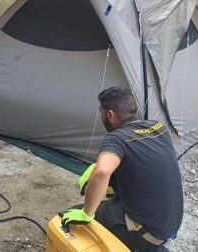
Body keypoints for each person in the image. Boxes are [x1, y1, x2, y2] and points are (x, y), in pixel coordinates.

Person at [61, 87, 183, 251]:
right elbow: (143, 163)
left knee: (68, 217)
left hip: (147, 233)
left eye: (101, 111)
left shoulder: (116, 139)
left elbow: (103, 171)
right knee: (114, 177)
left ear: (110, 114)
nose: (101, 116)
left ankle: (138, 245)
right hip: (170, 225)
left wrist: (86, 213)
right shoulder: (158, 126)